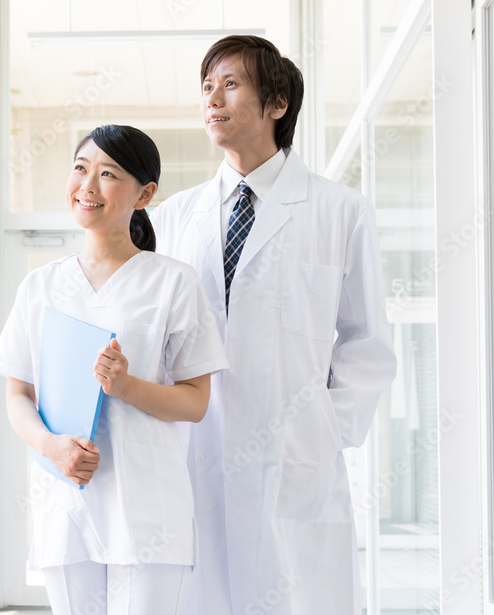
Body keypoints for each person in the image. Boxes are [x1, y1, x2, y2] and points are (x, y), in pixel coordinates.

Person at [150, 35, 397, 614]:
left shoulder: (340, 211)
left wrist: (320, 428)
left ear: (277, 104)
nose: (213, 99)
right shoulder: (173, 217)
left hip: (294, 460)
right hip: (194, 451)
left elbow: (367, 342)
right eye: (207, 87)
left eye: (231, 84)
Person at [0, 125, 229, 615]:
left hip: (149, 511)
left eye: (108, 174)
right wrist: (51, 447)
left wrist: (126, 386)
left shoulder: (173, 282)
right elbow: (17, 394)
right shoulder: (41, 286)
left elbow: (196, 402)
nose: (88, 186)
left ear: (145, 194)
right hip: (68, 503)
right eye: (80, 170)